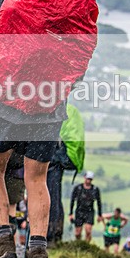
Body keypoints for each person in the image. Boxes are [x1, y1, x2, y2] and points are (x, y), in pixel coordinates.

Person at [0, 0, 98, 258]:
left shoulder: (7, 3)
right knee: (37, 178)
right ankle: (38, 253)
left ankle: (3, 240)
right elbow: (81, 52)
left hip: (7, 104)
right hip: (51, 104)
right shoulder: (72, 5)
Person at [46, 105, 86, 245]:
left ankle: (49, 235)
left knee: (49, 195)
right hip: (61, 157)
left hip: (54, 157)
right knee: (54, 195)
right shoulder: (71, 109)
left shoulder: (55, 108)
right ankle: (55, 234)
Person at [69, 171, 102, 243]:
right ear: (84, 178)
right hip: (79, 211)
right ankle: (79, 244)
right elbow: (72, 200)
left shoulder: (95, 189)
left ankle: (86, 245)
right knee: (77, 233)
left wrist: (100, 215)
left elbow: (99, 202)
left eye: (90, 179)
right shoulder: (78, 188)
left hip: (89, 212)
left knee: (88, 231)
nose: (88, 180)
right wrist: (70, 213)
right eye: (87, 179)